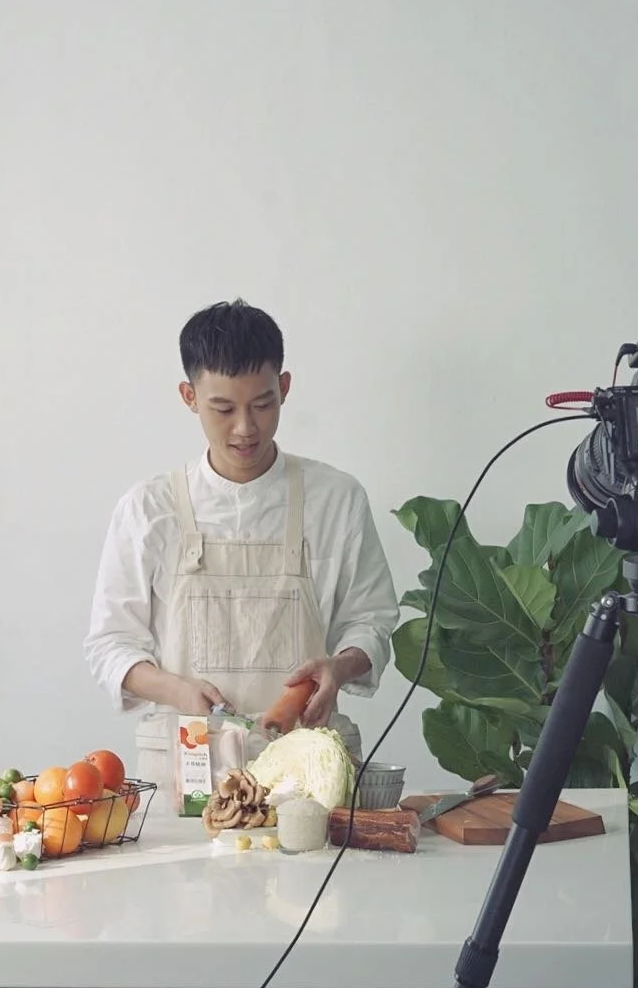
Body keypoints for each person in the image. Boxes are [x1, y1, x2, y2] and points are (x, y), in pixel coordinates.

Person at [82, 299, 400, 764]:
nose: (245, 428)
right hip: (188, 764)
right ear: (189, 397)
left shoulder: (336, 499)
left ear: (284, 388)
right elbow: (110, 643)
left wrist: (339, 667)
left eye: (263, 404)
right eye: (223, 408)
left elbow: (371, 620)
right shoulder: (148, 509)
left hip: (306, 763)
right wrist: (176, 690)